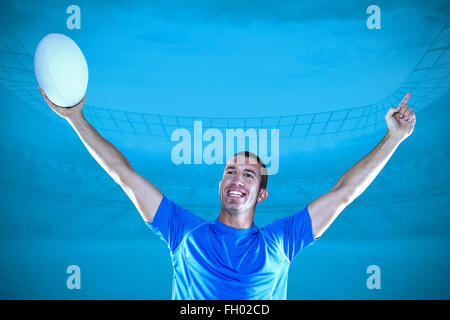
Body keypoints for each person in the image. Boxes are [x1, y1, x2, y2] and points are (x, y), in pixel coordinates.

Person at [39, 87, 416, 299]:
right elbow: (123, 175)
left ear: (261, 194)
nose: (238, 177)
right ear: (220, 185)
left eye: (250, 175)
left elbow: (345, 192)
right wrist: (75, 118)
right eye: (230, 171)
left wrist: (393, 138)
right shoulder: (182, 230)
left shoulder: (283, 240)